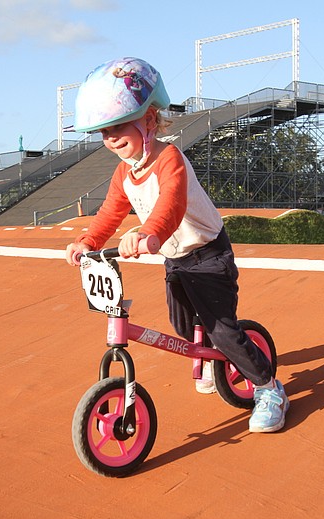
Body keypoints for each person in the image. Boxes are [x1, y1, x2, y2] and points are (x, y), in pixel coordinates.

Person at [64, 57, 288, 433]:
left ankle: (269, 388)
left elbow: (172, 202)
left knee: (221, 330)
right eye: (103, 131)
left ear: (149, 121)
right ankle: (215, 359)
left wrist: (150, 232)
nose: (110, 137)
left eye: (119, 125)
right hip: (176, 260)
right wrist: (87, 240)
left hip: (208, 254)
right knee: (183, 325)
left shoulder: (169, 159)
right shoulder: (124, 172)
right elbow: (110, 212)